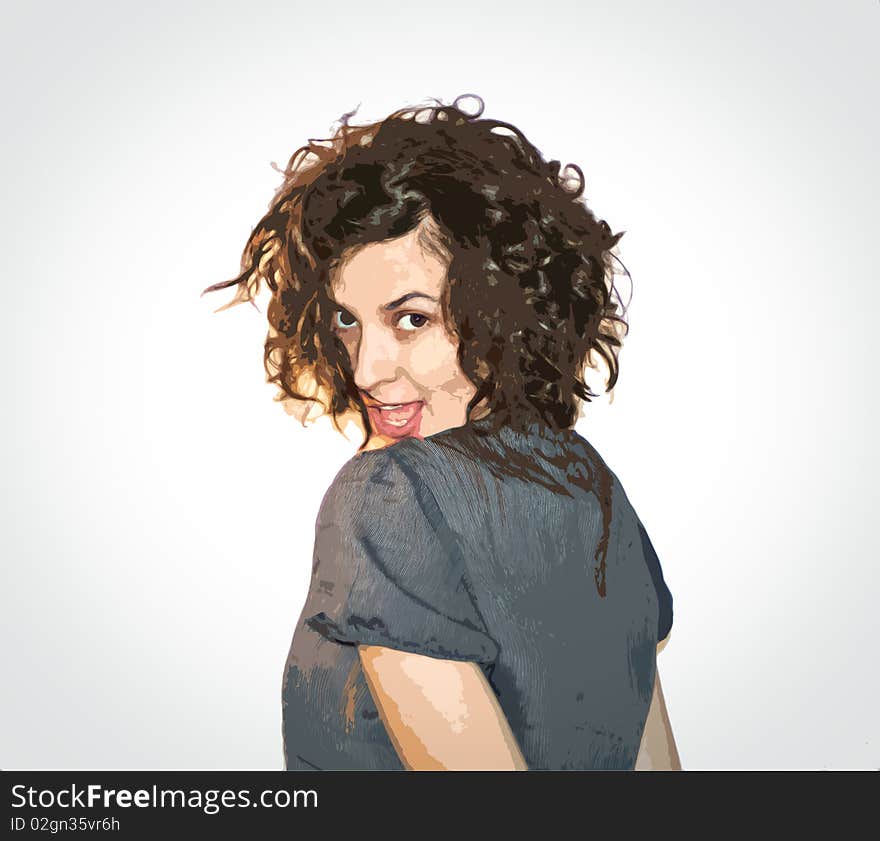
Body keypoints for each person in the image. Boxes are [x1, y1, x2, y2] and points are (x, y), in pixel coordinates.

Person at [202, 94, 681, 770]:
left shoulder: (387, 498)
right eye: (347, 320)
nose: (366, 368)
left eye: (411, 319)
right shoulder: (590, 481)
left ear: (503, 311)